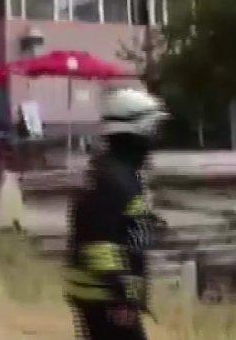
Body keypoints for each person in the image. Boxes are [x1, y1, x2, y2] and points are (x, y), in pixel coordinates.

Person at [64, 88, 169, 340]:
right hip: (105, 297)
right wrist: (121, 298)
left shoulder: (114, 172)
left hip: (101, 293)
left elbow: (114, 225)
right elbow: (100, 245)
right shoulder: (113, 179)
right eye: (153, 128)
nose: (157, 137)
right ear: (138, 131)